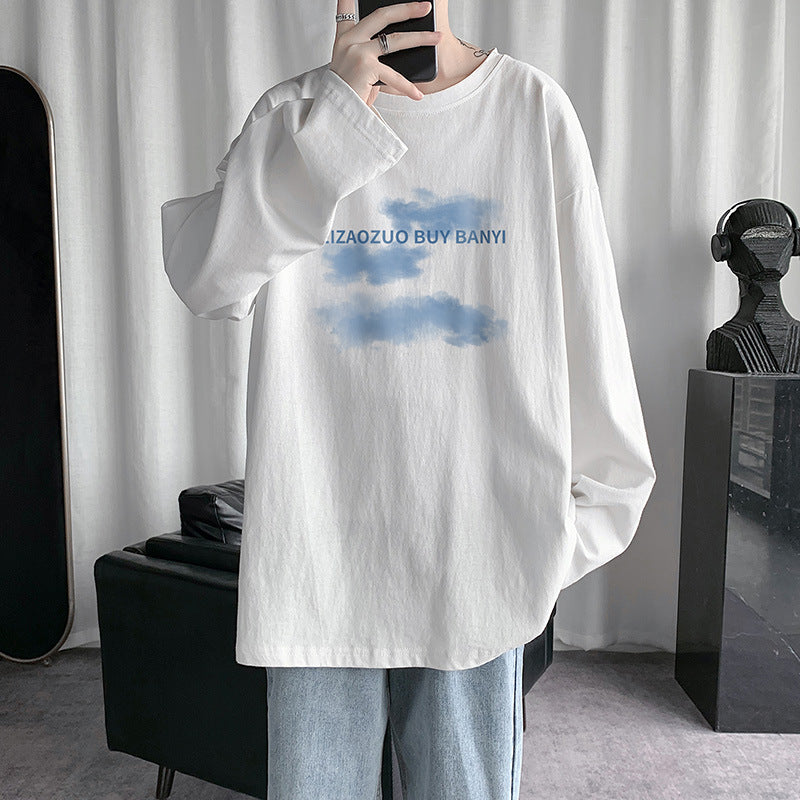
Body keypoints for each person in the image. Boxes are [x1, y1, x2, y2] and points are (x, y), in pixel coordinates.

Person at [160, 1, 657, 797]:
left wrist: (551, 535)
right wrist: (334, 122)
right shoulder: (295, 113)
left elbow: (587, 327)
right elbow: (207, 279)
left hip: (478, 556)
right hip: (319, 565)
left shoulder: (529, 109)